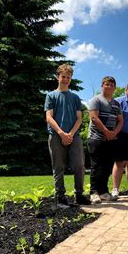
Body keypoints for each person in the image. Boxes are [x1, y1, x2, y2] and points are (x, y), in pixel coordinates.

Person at [44, 64, 90, 206]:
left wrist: (70, 134)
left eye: (68, 77)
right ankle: (60, 196)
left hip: (73, 136)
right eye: (63, 76)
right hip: (56, 135)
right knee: (58, 167)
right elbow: (49, 117)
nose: (65, 79)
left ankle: (79, 194)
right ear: (58, 77)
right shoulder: (51, 96)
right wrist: (61, 133)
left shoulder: (75, 98)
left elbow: (79, 118)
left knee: (79, 165)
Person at [87, 76, 123, 204]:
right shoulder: (95, 100)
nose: (109, 87)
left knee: (107, 167)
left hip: (111, 140)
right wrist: (106, 132)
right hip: (96, 139)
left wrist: (114, 133)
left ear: (114, 87)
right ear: (102, 85)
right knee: (96, 166)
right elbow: (94, 118)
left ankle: (103, 192)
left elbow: (120, 120)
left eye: (111, 85)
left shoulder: (116, 103)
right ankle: (93, 192)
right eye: (106, 84)